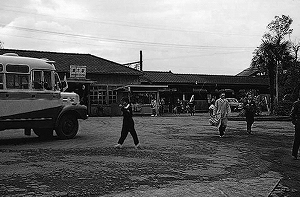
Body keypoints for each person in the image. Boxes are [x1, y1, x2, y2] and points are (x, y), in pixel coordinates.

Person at [290, 94, 300, 160]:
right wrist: (294, 122)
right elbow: (292, 114)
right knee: (297, 138)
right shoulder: (297, 104)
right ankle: (294, 154)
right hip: (299, 122)